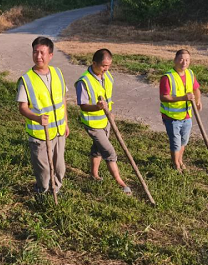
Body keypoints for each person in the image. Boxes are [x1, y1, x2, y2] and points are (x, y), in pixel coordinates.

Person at [17, 36, 69, 196]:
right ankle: (42, 191)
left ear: (50, 55)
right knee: (44, 170)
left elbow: (63, 100)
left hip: (59, 131)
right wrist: (37, 119)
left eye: (42, 53)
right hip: (39, 134)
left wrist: (66, 122)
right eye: (35, 52)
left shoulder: (58, 73)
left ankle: (56, 189)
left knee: (60, 166)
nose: (38, 56)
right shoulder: (26, 80)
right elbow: (22, 108)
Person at [75, 49, 131, 193]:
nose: (106, 69)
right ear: (94, 63)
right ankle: (120, 182)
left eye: (109, 66)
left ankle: (93, 175)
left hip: (106, 121)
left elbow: (108, 98)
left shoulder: (108, 76)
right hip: (92, 123)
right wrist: (97, 107)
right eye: (103, 66)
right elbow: (83, 105)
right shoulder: (84, 81)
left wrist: (109, 113)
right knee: (109, 152)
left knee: (98, 149)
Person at [159, 48, 202, 171]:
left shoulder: (190, 73)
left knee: (184, 141)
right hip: (172, 117)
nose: (184, 62)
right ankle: (176, 165)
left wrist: (198, 100)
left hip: (186, 115)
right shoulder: (167, 77)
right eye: (181, 59)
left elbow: (196, 88)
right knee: (176, 143)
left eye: (187, 60)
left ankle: (180, 160)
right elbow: (163, 97)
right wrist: (183, 98)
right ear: (175, 60)